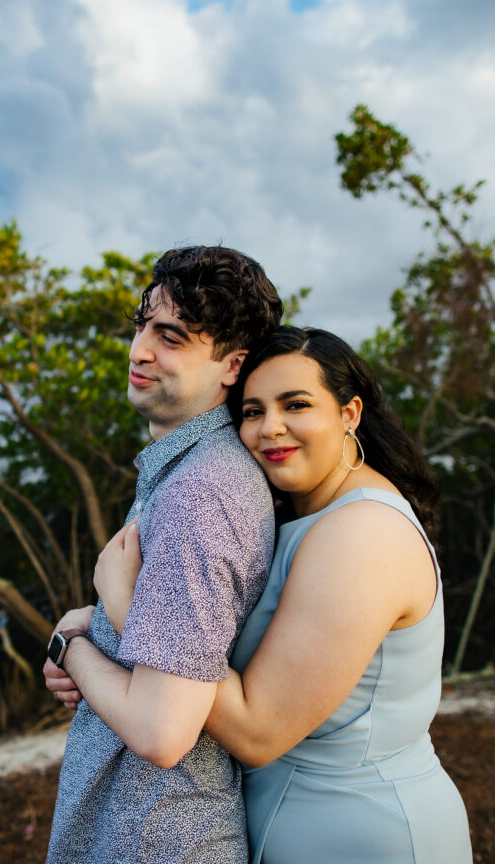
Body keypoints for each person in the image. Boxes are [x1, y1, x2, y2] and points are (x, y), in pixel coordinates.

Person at [66, 326, 473, 864]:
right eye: (253, 411)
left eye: (295, 404)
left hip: (362, 835)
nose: (270, 429)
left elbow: (258, 730)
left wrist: (125, 608)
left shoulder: (362, 535)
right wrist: (90, 636)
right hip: (298, 825)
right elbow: (207, 640)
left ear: (349, 414)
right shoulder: (304, 512)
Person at [43, 245, 283, 864]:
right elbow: (178, 645)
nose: (139, 350)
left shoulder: (200, 494)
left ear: (232, 366)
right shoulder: (184, 474)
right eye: (143, 326)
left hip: (157, 838)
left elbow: (162, 730)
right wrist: (93, 630)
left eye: (171, 337)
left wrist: (72, 650)